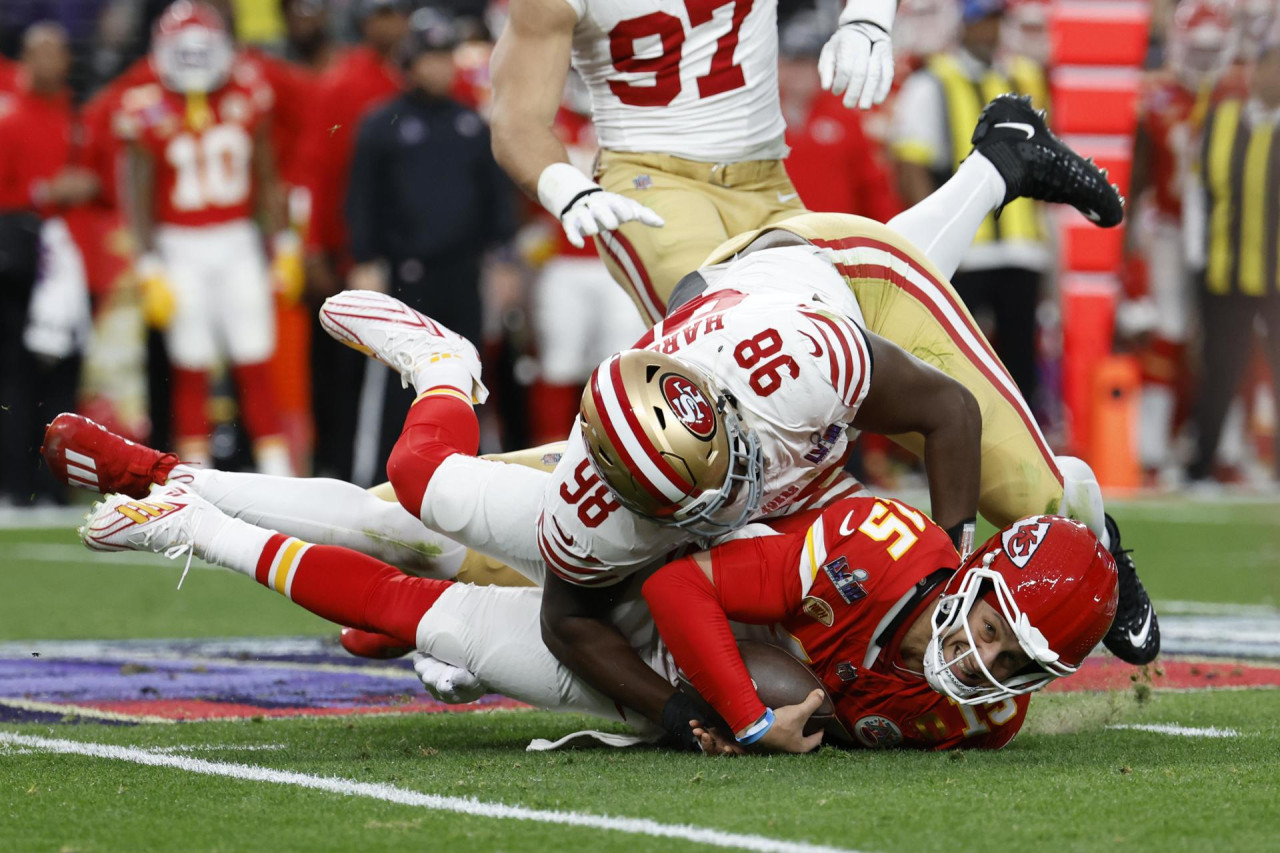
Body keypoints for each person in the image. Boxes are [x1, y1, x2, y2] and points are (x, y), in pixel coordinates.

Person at [74, 482, 1117, 753]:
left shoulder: (983, 717)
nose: (977, 658)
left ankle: (191, 523)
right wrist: (752, 716)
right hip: (642, 552)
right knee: (419, 510)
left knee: (431, 618)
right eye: (986, 623)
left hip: (681, 683)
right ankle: (445, 373)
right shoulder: (871, 551)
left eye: (1009, 658)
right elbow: (677, 587)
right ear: (974, 572)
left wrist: (729, 718)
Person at [488, 0, 902, 324]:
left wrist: (866, 18)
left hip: (764, 177)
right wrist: (568, 188)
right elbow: (516, 121)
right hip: (652, 179)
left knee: (868, 339)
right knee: (737, 334)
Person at [117, 1, 294, 476]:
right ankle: (195, 477)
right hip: (180, 245)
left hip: (237, 241)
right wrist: (148, 263)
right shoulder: (145, 106)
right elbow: (137, 193)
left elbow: (266, 177)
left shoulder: (248, 93)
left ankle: (279, 473)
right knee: (190, 362)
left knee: (255, 356)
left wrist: (285, 244)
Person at [345, 7, 518, 477]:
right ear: (412, 63)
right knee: (396, 376)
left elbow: (494, 198)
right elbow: (363, 198)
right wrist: (366, 258)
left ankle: (470, 472)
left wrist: (503, 258)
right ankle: (381, 475)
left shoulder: (471, 123)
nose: (440, 68)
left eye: (446, 57)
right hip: (405, 271)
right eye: (431, 58)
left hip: (463, 270)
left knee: (469, 374)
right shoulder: (383, 123)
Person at [889, 0, 1053, 405]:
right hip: (966, 247)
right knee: (949, 357)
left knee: (1020, 356)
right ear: (962, 26)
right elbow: (912, 164)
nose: (990, 32)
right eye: (982, 23)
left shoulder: (1025, 75)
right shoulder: (933, 81)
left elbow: (1047, 156)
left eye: (997, 22)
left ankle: (1022, 459)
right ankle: (937, 451)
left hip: (1020, 243)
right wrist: (937, 235)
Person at [1121, 0, 1236, 483]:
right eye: (1199, 49)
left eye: (1214, 50)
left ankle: (1222, 449)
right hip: (1168, 230)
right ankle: (1150, 450)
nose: (1206, 60)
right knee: (1166, 334)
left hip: (1227, 233)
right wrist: (1126, 244)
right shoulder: (1157, 97)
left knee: (1226, 340)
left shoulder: (1238, 95)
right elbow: (1141, 174)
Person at [1183, 31, 1280, 486]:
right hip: (1224, 269)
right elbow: (1197, 193)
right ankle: (1201, 466)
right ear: (1254, 70)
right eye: (1270, 65)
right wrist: (1196, 257)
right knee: (1220, 369)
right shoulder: (1221, 119)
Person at [0, 22, 77, 505]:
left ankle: (53, 484)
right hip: (19, 250)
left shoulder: (74, 113)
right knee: (17, 370)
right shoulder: (9, 117)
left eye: (59, 52)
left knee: (63, 368)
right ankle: (15, 481)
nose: (52, 62)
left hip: (66, 257)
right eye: (42, 53)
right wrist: (46, 191)